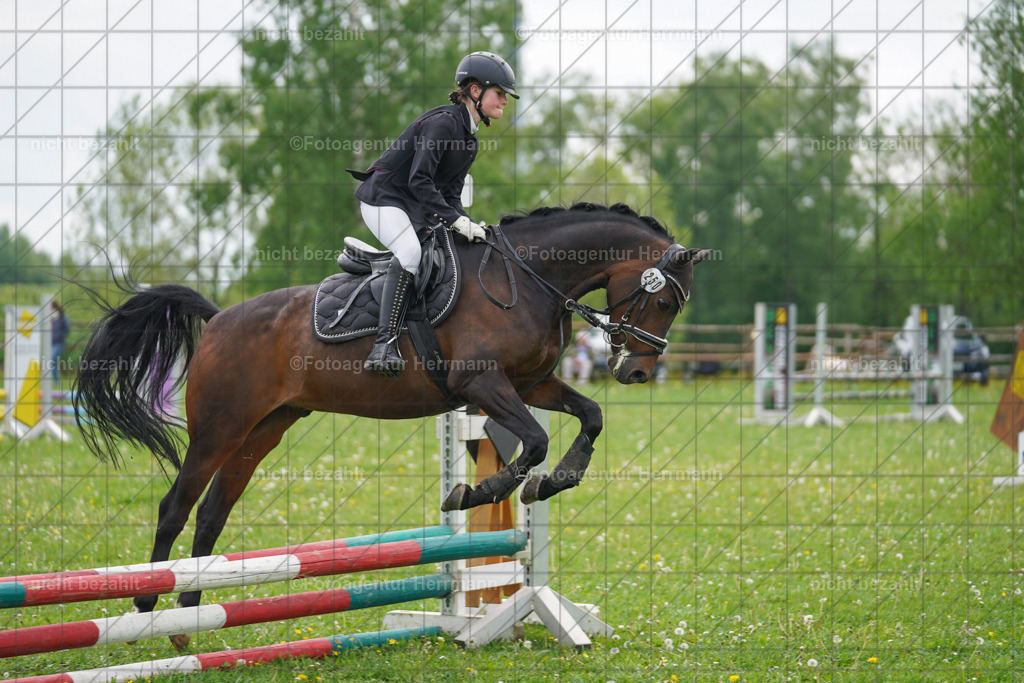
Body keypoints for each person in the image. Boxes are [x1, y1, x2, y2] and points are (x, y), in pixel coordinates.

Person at [348, 51, 518, 377]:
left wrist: (465, 222)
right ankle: (383, 345)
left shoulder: (469, 140)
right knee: (411, 252)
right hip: (382, 200)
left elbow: (451, 195)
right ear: (474, 91)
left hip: (411, 205)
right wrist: (455, 220)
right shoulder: (443, 125)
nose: (505, 101)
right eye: (500, 93)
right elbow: (420, 180)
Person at [51, 301, 70, 384]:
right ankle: (56, 380)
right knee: (53, 362)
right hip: (50, 343)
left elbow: (67, 329)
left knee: (51, 360)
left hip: (59, 343)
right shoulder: (50, 318)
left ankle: (56, 380)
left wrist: (59, 335)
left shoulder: (62, 317)